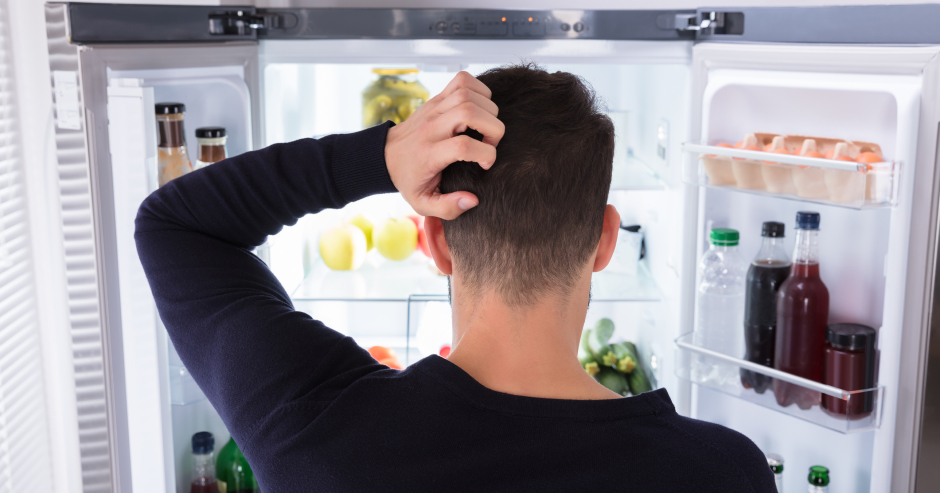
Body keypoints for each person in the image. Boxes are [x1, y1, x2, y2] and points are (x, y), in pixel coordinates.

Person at [136, 66, 775, 492]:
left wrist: (384, 155)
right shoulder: (722, 472)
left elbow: (176, 225)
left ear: (435, 241)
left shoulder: (319, 436)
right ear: (606, 240)